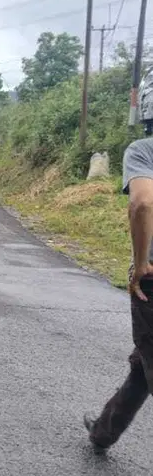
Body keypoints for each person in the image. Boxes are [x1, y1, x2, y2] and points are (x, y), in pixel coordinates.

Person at [84, 137, 153, 450]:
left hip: (151, 278)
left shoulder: (143, 149)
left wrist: (140, 264)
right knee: (143, 363)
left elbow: (142, 203)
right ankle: (103, 431)